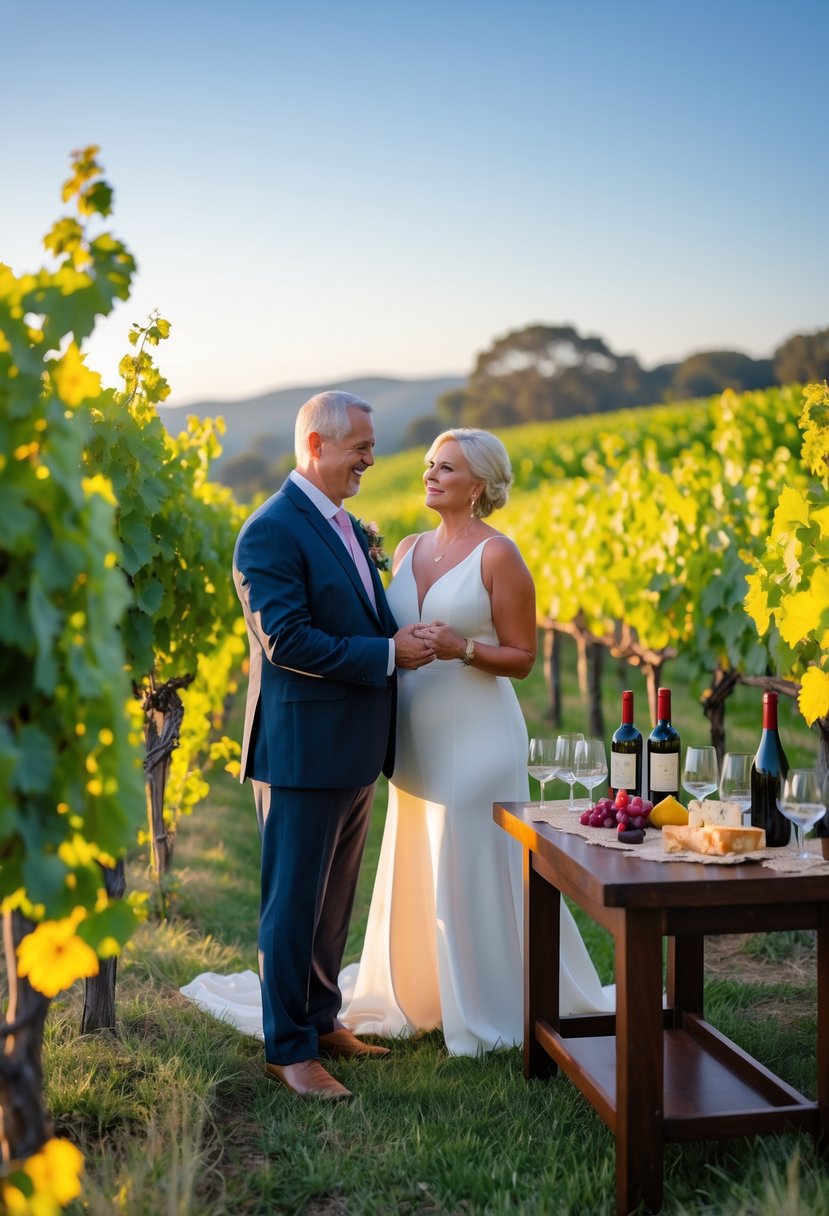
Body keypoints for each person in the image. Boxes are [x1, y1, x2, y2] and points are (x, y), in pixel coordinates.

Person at [337, 427, 613, 1054]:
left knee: (471, 857)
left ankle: (488, 1002)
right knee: (421, 851)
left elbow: (523, 658)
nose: (431, 475)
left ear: (480, 486)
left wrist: (462, 649)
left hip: (480, 738)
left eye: (448, 468)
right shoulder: (405, 548)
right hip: (416, 740)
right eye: (431, 464)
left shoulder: (499, 555)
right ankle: (423, 990)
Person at [219, 390, 435, 1101]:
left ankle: (321, 1020)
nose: (370, 459)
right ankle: (288, 1051)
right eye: (360, 448)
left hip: (349, 745)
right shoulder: (270, 530)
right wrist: (387, 654)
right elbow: (286, 641)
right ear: (315, 445)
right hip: (301, 746)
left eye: (370, 446)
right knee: (292, 903)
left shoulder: (340, 523)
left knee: (332, 897)